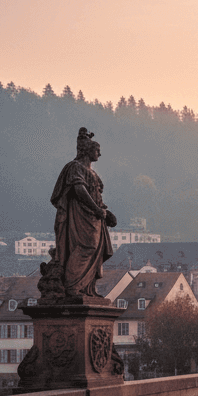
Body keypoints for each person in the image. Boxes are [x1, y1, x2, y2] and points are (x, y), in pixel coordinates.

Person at [50, 127, 117, 302]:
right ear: (87, 150)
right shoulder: (75, 167)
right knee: (85, 247)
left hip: (95, 218)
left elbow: (96, 196)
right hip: (80, 216)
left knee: (96, 249)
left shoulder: (93, 173)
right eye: (97, 150)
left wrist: (106, 213)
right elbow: (79, 191)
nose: (99, 155)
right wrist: (97, 210)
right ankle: (72, 286)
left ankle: (87, 288)